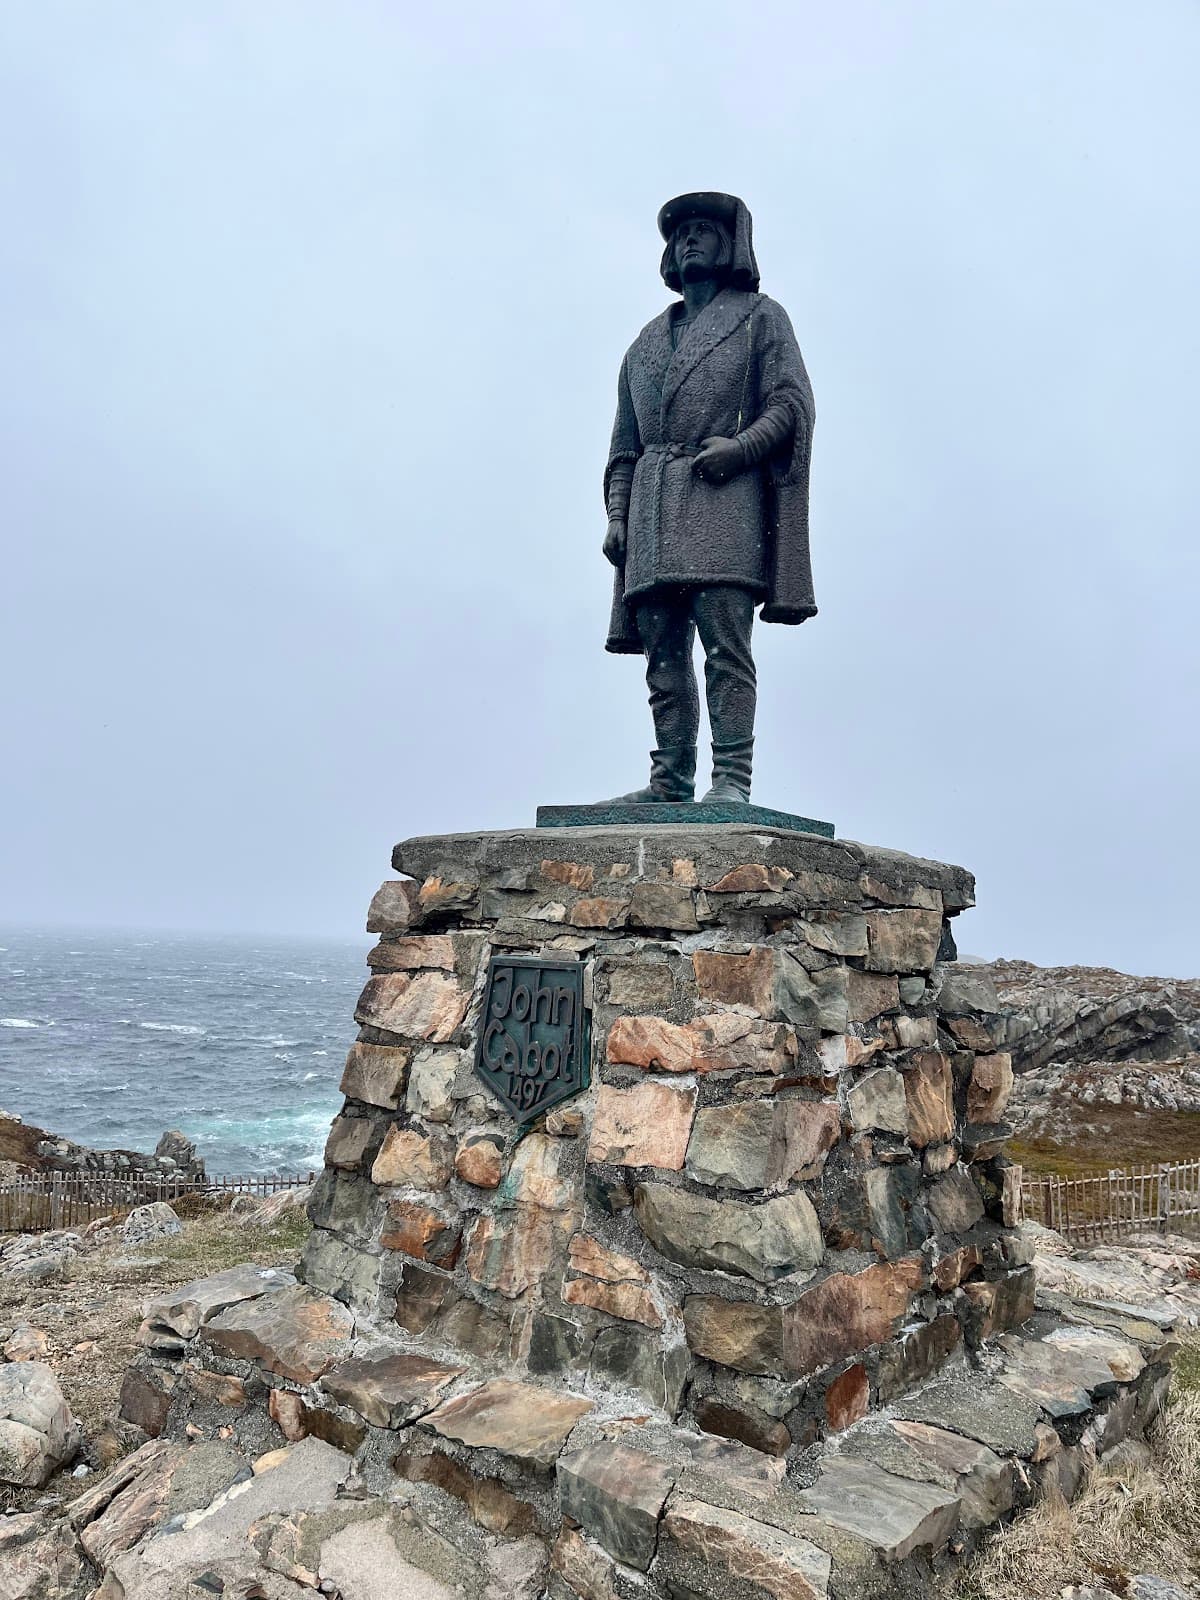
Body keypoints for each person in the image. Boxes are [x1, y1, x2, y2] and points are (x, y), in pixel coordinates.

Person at [601, 192, 816, 804]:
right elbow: (625, 446)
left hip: (723, 502)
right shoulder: (644, 344)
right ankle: (669, 778)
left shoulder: (760, 317)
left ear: (731, 245)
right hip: (653, 509)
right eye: (682, 232)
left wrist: (741, 448)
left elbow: (790, 406)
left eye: (704, 230)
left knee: (726, 647)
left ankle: (731, 780)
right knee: (662, 656)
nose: (690, 239)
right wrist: (618, 514)